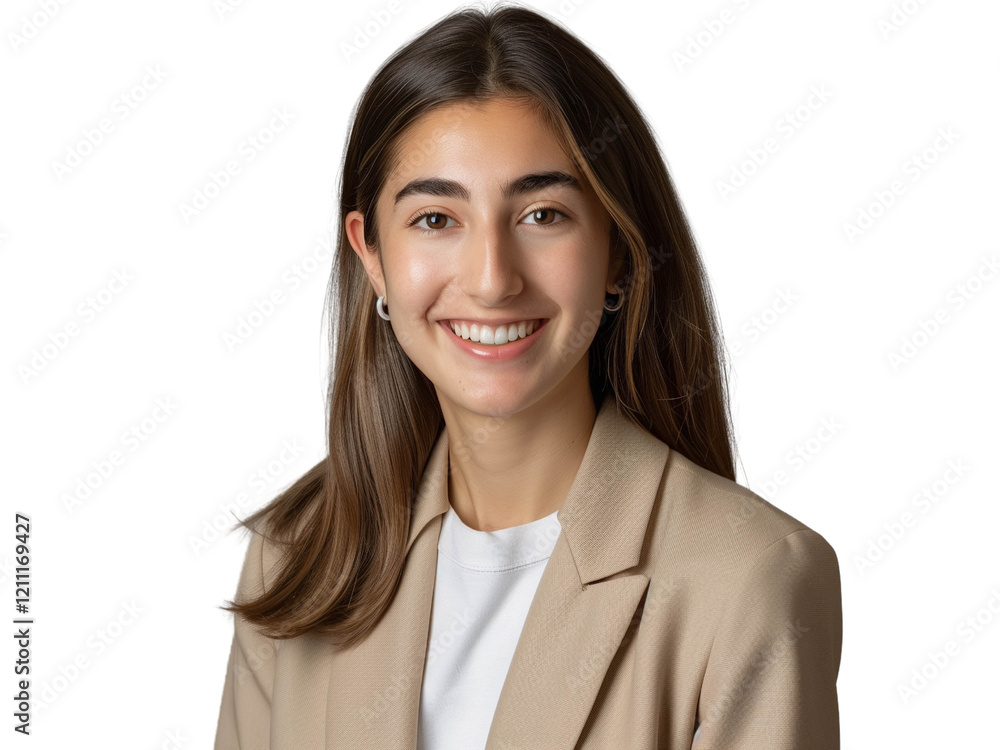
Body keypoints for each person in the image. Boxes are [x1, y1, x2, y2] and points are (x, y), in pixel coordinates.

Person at [212, 4, 843, 749]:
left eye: (543, 215)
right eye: (436, 220)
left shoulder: (749, 578)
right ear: (371, 253)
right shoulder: (297, 553)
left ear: (617, 250)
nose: (490, 280)